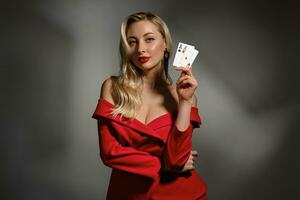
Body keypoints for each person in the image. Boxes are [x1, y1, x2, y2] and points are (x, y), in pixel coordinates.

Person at [92, 11, 207, 200]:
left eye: (149, 39)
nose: (140, 49)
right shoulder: (112, 87)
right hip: (128, 194)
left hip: (180, 194)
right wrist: (163, 165)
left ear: (165, 44)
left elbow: (177, 160)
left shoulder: (184, 97)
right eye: (132, 42)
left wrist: (185, 101)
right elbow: (109, 153)